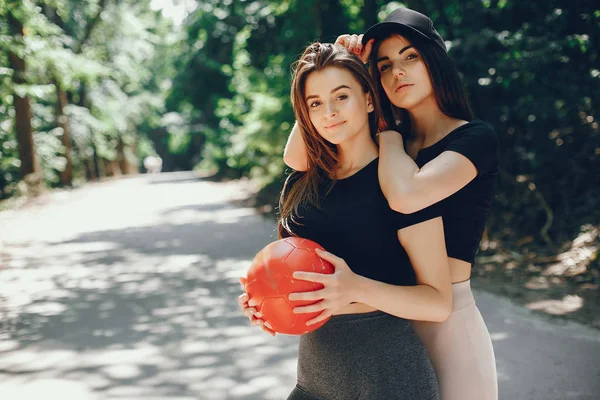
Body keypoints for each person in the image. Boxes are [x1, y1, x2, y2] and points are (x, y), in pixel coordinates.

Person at [281, 7, 500, 400]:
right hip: (385, 318)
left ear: (435, 59)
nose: (397, 72)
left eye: (410, 57)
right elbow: (297, 159)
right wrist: (334, 67)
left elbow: (406, 195)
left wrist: (388, 136)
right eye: (383, 65)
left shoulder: (472, 139)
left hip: (445, 319)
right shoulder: (393, 142)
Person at [239, 42, 452, 399]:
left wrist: (355, 288)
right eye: (316, 103)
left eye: (341, 97)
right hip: (312, 384)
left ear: (369, 100)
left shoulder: (400, 182)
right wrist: (268, 300)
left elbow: (437, 302)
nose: (330, 113)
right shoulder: (303, 182)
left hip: (390, 384)